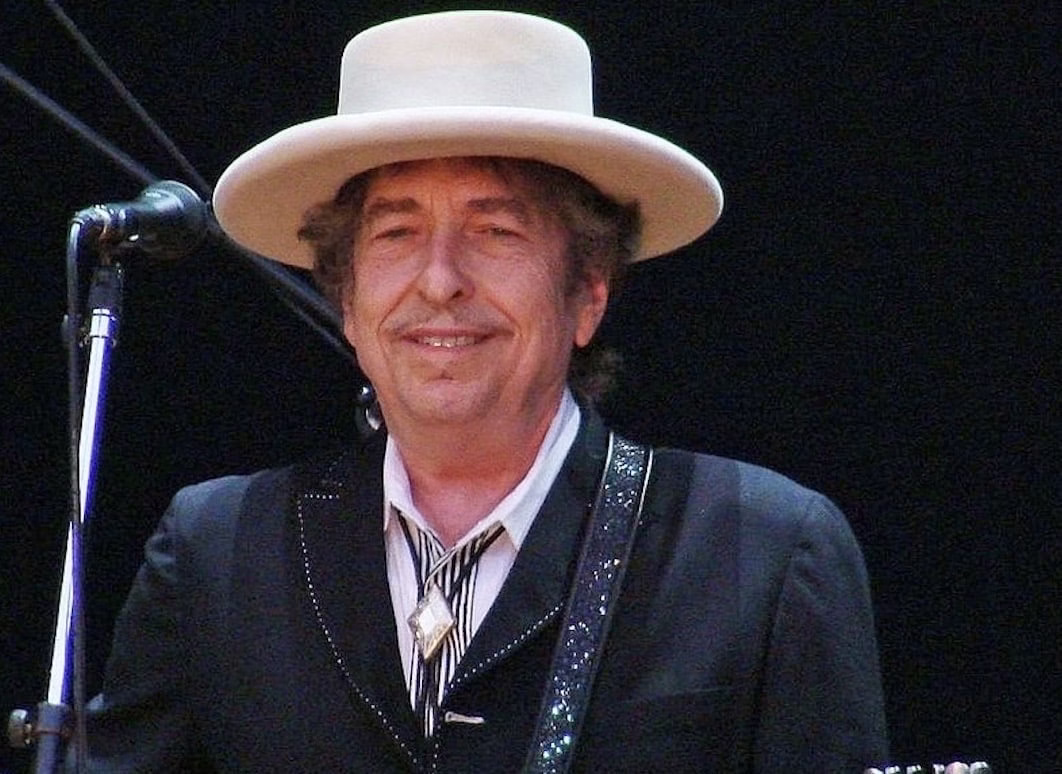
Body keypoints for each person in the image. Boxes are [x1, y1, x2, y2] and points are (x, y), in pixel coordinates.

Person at [78, 10, 888, 772]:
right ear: (347, 300)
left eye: (496, 231)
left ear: (589, 292)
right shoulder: (216, 552)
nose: (440, 281)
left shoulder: (763, 549)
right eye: (397, 233)